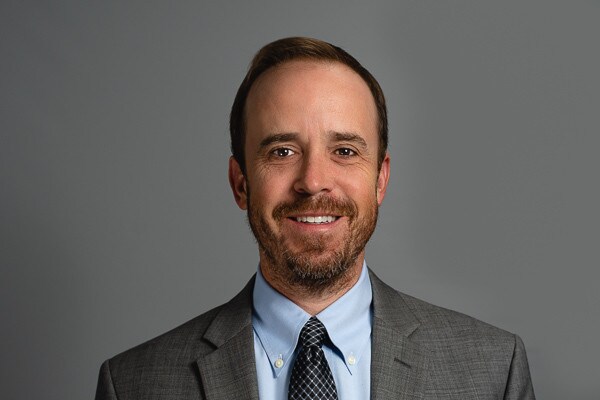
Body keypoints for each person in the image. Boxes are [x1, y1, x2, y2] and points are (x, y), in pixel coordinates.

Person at [95, 37, 535, 400]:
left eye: (344, 150)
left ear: (380, 179)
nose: (313, 181)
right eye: (282, 151)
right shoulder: (133, 385)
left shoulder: (493, 370)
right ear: (240, 183)